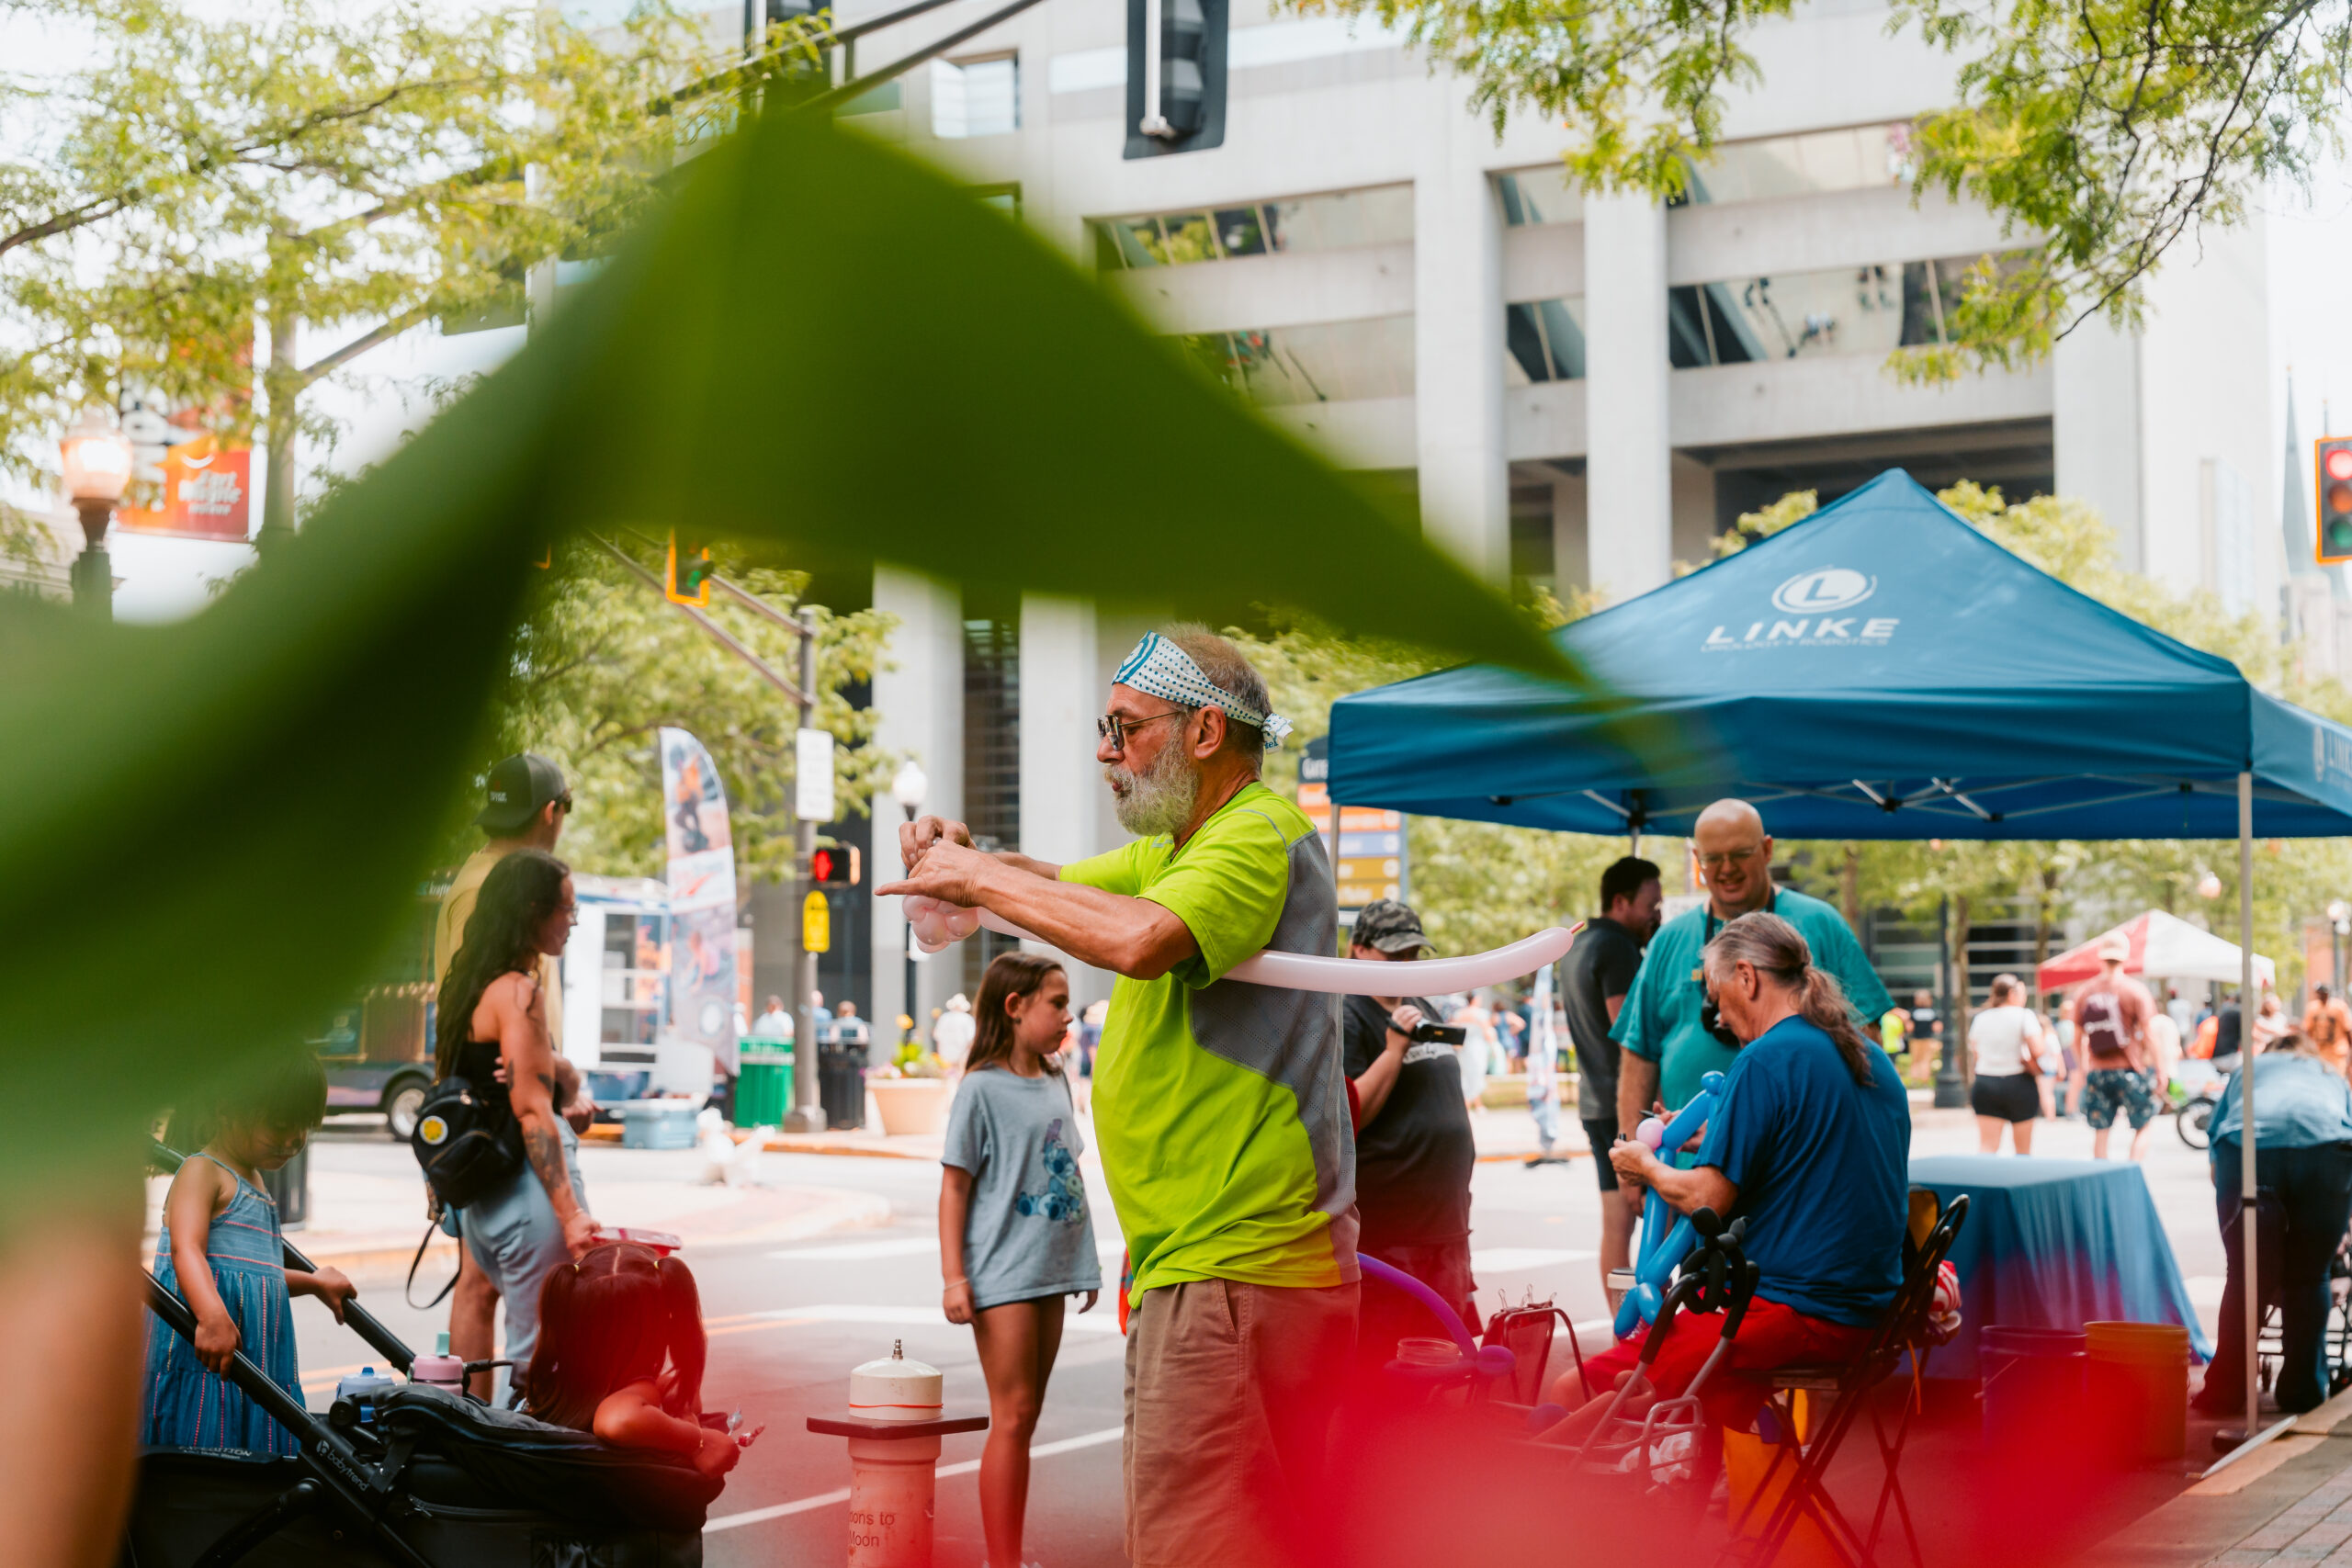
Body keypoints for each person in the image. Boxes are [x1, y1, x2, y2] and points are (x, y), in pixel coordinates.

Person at [880, 623, 1354, 1568]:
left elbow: (1138, 939)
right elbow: (1051, 884)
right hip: (1215, 1268)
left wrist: (974, 877)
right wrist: (972, 862)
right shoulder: (1182, 848)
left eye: (1126, 728)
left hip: (1237, 1267)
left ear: (1205, 733)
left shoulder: (1255, 834)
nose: (1105, 752)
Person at [1543, 913, 1910, 1461]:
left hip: (1796, 1314)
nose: (1717, 1014)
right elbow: (1812, 1149)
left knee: (1574, 1389)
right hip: (1870, 1314)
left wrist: (1645, 1166)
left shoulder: (1765, 1058)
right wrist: (1707, 1141)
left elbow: (1708, 1200)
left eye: (1716, 996)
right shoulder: (1867, 1054)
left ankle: (1531, 1490)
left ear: (1747, 977)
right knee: (1664, 1387)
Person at [435, 753, 594, 1396]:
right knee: (540, 1359)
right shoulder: (519, 993)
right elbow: (531, 1109)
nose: (571, 923)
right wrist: (572, 1213)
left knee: (503, 1329)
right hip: (526, 1191)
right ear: (533, 911)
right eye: (565, 911)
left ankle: (472, 1436)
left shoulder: (470, 985)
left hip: (485, 1193)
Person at [939, 953, 1102, 1568]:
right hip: (1001, 1272)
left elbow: (1070, 1174)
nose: (1068, 1016)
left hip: (1053, 1269)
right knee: (1011, 1416)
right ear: (1014, 1007)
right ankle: (1001, 1561)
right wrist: (954, 1277)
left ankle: (1007, 1555)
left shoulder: (1056, 1078)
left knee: (1025, 1416)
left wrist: (1085, 1263)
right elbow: (954, 1187)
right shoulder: (980, 1088)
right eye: (1056, 1003)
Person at [1613, 800, 1895, 1130]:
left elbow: (1866, 1039)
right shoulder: (1669, 939)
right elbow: (1638, 1056)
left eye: (1740, 854)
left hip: (1801, 1152)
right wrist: (1631, 1153)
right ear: (1697, 859)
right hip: (1690, 1155)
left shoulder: (1821, 923)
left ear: (1767, 849)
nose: (1727, 868)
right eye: (1713, 858)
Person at [145, 1049, 356, 1455]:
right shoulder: (202, 1171)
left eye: (304, 1126)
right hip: (206, 1362)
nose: (293, 1139)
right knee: (206, 1452)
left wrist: (314, 1283)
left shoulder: (254, 1181)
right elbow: (186, 1249)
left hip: (254, 1363)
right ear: (228, 1108)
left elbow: (256, 1278)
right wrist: (211, 1316)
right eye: (280, 1125)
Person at [1340, 899, 1479, 1370]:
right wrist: (1394, 1050)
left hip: (1445, 1225)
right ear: (1359, 949)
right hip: (1392, 1235)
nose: (1405, 965)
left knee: (1446, 1361)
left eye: (1412, 955)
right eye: (1394, 954)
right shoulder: (1347, 1013)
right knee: (1391, 1364)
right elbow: (1349, 1113)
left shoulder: (1417, 1004)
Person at [2194, 1031, 2352, 1416]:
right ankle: (2303, 1391)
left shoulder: (2248, 1069)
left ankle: (2226, 1392)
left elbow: (2216, 1144)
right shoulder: (2328, 1072)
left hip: (2250, 1150)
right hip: (2327, 1153)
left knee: (2245, 1277)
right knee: (2310, 1276)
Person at [525, 1242, 750, 1478]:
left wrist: (675, 1399)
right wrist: (700, 1441)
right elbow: (618, 1420)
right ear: (663, 1326)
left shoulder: (552, 1385)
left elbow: (687, 1404)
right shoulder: (638, 1393)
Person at [1562, 855, 1663, 1288]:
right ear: (1621, 902)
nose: (1656, 915)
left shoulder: (1578, 944)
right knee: (1655, 1224)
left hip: (1595, 1103)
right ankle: (1643, 1322)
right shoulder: (1618, 947)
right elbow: (1630, 1034)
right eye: (1650, 905)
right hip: (1627, 1107)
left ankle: (1622, 1323)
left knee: (1617, 1226)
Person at [2066, 933, 2159, 1161]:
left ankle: (2102, 1173)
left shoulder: (2085, 991)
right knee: (2143, 1126)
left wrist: (2083, 1067)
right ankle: (2131, 1171)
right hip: (2130, 1070)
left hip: (2098, 1071)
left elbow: (2075, 1038)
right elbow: (2149, 1034)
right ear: (2125, 957)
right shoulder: (2135, 990)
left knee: (2101, 1131)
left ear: (2101, 957)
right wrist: (2161, 1069)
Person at [1968, 974, 2046, 1154]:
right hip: (2018, 1082)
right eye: (2023, 993)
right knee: (2022, 1150)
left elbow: (1976, 1053)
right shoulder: (2024, 1015)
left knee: (1987, 1146)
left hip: (1985, 1083)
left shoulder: (1981, 1018)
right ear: (2012, 993)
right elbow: (2038, 1049)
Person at [2303, 986, 2352, 1077]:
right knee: (2321, 1077)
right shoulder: (2312, 1008)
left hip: (2336, 1051)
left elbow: (2347, 1029)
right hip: (2319, 1050)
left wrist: (2350, 1048)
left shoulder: (2339, 1007)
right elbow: (2307, 1030)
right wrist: (2308, 1048)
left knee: (2338, 1077)